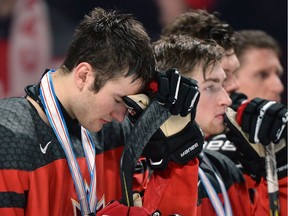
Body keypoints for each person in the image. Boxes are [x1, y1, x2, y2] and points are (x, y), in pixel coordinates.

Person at [0, 7, 201, 216]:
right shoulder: (9, 137)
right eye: (117, 100)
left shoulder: (119, 135)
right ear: (84, 75)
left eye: (128, 104)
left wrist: (176, 161)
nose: (121, 115)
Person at [155, 9, 287, 215]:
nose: (234, 86)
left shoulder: (225, 163)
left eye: (231, 73)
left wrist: (282, 170)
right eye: (216, 82)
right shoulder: (137, 165)